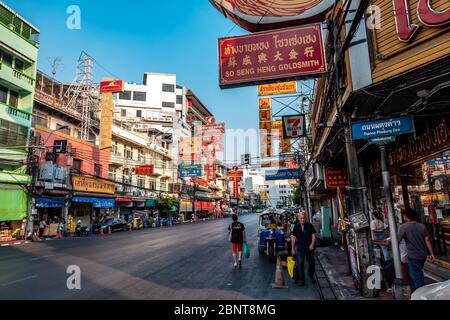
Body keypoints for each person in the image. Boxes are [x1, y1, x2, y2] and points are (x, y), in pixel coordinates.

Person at [398, 208, 435, 292]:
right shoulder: (422, 226)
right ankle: (417, 288)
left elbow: (397, 240)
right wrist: (432, 254)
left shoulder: (403, 227)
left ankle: (420, 292)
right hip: (423, 255)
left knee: (416, 275)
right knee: (416, 272)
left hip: (413, 255)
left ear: (405, 216)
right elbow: (427, 240)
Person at [291, 211, 317, 286]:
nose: (303, 220)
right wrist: (292, 248)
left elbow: (313, 235)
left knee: (312, 263)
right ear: (298, 219)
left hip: (309, 248)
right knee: (299, 264)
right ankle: (302, 280)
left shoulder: (309, 225)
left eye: (304, 218)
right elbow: (293, 238)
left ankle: (310, 275)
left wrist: (312, 244)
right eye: (301, 218)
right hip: (300, 247)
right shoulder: (296, 227)